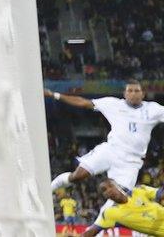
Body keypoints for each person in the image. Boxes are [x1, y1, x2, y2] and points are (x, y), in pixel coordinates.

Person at [46, 80, 164, 220]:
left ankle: (95, 230)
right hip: (111, 151)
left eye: (136, 91)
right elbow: (83, 102)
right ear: (124, 94)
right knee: (77, 176)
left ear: (143, 94)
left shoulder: (153, 109)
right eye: (130, 91)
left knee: (118, 198)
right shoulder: (113, 104)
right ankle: (47, 190)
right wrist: (55, 95)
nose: (133, 94)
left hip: (131, 162)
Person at [82, 179, 164, 236]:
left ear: (118, 186)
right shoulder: (110, 214)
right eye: (104, 190)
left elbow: (160, 193)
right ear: (104, 196)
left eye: (111, 186)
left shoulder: (138, 190)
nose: (109, 190)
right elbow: (91, 232)